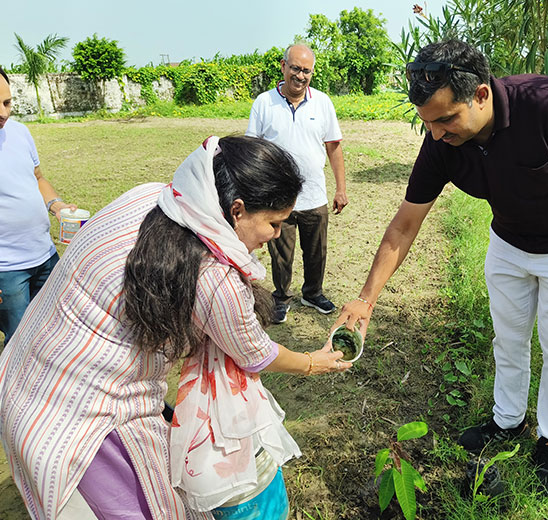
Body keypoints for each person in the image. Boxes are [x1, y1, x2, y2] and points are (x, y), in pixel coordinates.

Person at [335, 39, 548, 493]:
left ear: (481, 94)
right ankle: (508, 421)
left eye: (444, 119)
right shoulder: (442, 141)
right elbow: (404, 225)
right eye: (428, 123)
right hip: (510, 245)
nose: (436, 134)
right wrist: (365, 299)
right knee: (510, 337)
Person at [0, 135, 351, 519]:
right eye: (274, 223)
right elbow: (255, 353)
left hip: (20, 380)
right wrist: (313, 362)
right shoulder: (213, 276)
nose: (277, 235)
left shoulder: (150, 196)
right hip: (85, 424)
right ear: (236, 210)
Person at [246, 43, 348, 324]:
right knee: (281, 253)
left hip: (314, 195)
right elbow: (253, 148)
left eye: (306, 71)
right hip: (277, 199)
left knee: (317, 251)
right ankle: (281, 297)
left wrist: (340, 188)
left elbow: (334, 146)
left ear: (311, 73)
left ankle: (313, 293)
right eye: (295, 68)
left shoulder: (323, 103)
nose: (300, 76)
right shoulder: (264, 103)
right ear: (283, 67)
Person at [0, 66, 77, 346]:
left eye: (7, 102)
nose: (4, 113)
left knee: (53, 332)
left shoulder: (20, 132)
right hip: (6, 272)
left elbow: (37, 178)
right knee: (19, 344)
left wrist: (56, 205)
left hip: (45, 257)